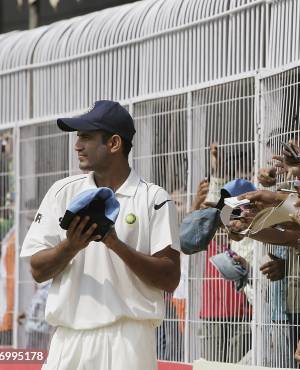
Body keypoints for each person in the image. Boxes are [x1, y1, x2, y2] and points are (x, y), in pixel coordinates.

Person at [20, 100, 181, 370]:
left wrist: (115, 244)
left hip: (129, 340)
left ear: (114, 143)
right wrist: (71, 246)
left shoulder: (154, 198)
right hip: (68, 339)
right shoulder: (62, 192)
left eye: (86, 136)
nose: (77, 145)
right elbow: (37, 270)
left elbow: (170, 277)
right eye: (77, 136)